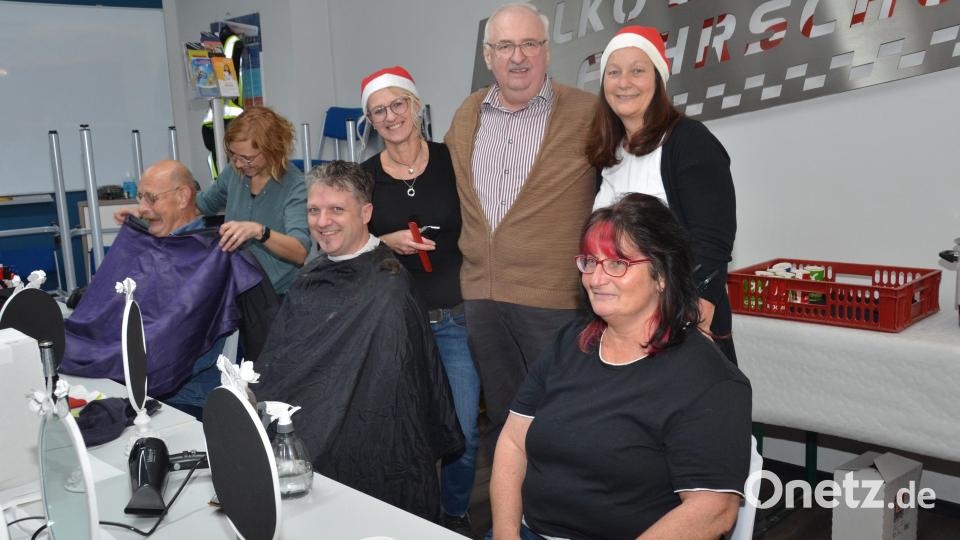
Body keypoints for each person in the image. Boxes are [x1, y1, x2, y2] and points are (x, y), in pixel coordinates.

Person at [490, 193, 752, 540]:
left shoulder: (708, 380)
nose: (596, 279)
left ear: (662, 275)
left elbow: (713, 510)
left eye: (617, 264)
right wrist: (505, 535)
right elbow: (512, 442)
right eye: (589, 261)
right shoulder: (570, 343)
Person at [253, 161, 464, 522]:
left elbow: (390, 401)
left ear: (366, 212)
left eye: (337, 209)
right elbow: (282, 368)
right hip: (305, 433)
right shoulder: (311, 278)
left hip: (369, 449)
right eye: (314, 211)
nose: (322, 222)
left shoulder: (388, 289)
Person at [444, 2, 597, 457]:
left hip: (554, 300)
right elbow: (441, 190)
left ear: (547, 52)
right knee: (507, 422)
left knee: (565, 420)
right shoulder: (468, 114)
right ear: (488, 56)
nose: (518, 56)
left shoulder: (588, 113)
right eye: (506, 45)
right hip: (482, 300)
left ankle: (562, 526)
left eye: (530, 43)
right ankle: (512, 523)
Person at [359, 66, 480, 535]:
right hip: (396, 323)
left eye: (398, 105)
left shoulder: (455, 161)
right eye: (379, 111)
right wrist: (383, 241)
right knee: (400, 433)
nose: (391, 117)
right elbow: (340, 245)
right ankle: (410, 518)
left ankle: (453, 514)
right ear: (370, 121)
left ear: (416, 106)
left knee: (464, 433)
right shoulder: (364, 179)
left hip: (458, 319)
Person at [587, 26, 738, 362]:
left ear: (658, 79)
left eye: (637, 70)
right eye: (614, 72)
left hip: (677, 324)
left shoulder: (689, 141)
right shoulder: (608, 154)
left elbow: (712, 241)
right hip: (619, 326)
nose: (624, 82)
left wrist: (694, 322)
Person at [67, 161, 269, 401]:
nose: (141, 208)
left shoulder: (217, 259)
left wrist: (105, 357)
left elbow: (178, 348)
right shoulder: (161, 244)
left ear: (183, 197)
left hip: (182, 396)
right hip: (126, 374)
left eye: (151, 199)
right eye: (140, 198)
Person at [196, 106, 310, 296]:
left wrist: (259, 231)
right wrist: (147, 210)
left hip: (277, 296)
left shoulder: (295, 186)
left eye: (247, 158)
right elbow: (201, 205)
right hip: (237, 288)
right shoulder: (234, 173)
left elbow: (299, 252)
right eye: (233, 156)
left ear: (272, 150)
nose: (239, 164)